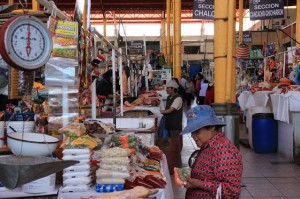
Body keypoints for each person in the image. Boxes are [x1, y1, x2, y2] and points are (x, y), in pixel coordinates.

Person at [182, 105, 243, 198]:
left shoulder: (224, 151)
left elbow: (232, 191)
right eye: (191, 131)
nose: (192, 136)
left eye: (197, 131)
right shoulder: (207, 146)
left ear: (211, 127)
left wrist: (199, 184)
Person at [159, 79, 183, 173]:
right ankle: (171, 164)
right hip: (169, 124)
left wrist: (158, 112)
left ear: (173, 89)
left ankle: (176, 166)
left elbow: (170, 110)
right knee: (170, 145)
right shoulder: (169, 97)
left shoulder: (178, 98)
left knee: (175, 146)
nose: (167, 90)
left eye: (168, 88)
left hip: (175, 125)